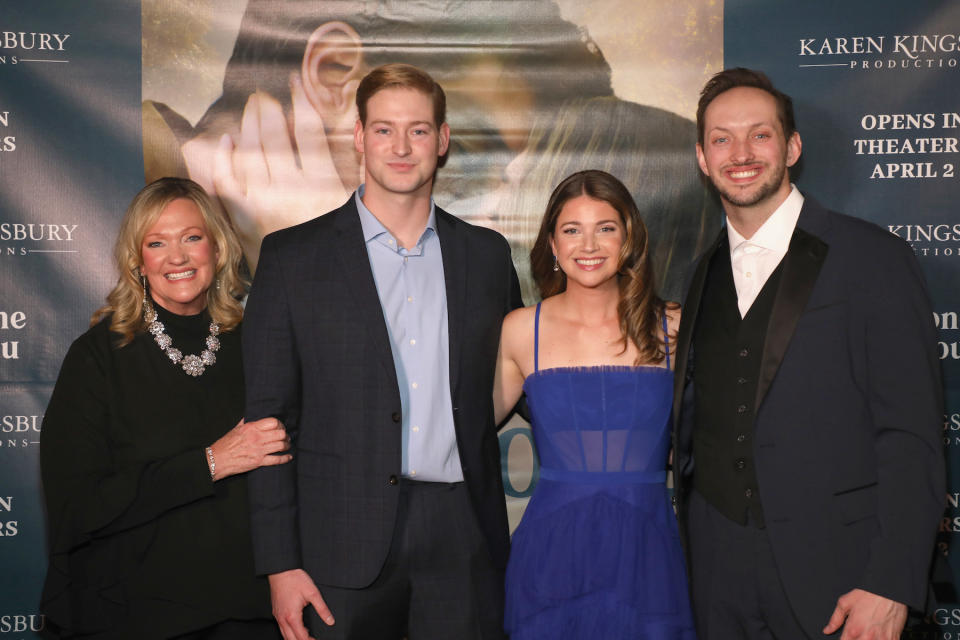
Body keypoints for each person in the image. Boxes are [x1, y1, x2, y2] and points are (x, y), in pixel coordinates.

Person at [242, 64, 523, 639]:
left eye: (418, 130)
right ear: (358, 137)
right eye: (384, 130)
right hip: (338, 547)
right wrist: (280, 564)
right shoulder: (293, 259)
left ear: (442, 141)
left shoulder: (487, 257)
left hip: (463, 538)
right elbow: (268, 422)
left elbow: (514, 377)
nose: (401, 147)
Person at [671, 68, 944, 640]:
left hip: (840, 576)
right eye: (722, 138)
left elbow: (911, 433)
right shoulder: (701, 272)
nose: (740, 152)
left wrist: (892, 581)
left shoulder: (873, 258)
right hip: (717, 576)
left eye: (760, 134)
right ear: (702, 157)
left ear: (792, 147)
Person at [39, 177, 290, 638]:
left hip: (248, 609)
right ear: (138, 261)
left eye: (192, 238)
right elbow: (78, 506)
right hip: (136, 610)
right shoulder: (98, 357)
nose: (178, 257)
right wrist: (210, 463)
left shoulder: (257, 344)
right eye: (157, 242)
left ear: (218, 248)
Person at [494, 169, 695, 639]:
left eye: (605, 228)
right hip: (551, 558)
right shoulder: (523, 330)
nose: (589, 245)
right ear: (553, 244)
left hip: (650, 556)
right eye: (572, 230)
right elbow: (457, 431)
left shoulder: (673, 326)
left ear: (629, 239)